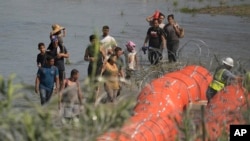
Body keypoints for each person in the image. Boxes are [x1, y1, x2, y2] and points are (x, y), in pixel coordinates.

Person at [84, 34, 106, 100]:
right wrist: (89, 59)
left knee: (97, 82)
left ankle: (95, 98)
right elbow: (85, 58)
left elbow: (105, 58)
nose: (95, 42)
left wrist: (103, 66)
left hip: (99, 66)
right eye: (93, 41)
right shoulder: (88, 48)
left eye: (96, 40)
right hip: (91, 67)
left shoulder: (100, 47)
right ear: (90, 41)